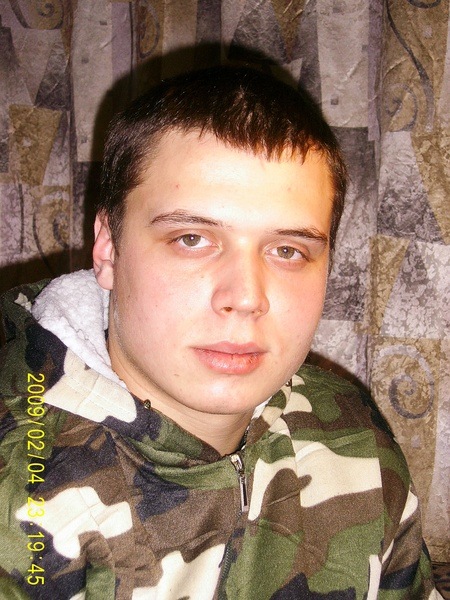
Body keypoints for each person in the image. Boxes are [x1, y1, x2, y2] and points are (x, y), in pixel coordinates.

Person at [0, 66, 441, 599]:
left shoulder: (353, 432)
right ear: (108, 249)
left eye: (287, 250)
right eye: (192, 239)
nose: (246, 297)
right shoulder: (16, 491)